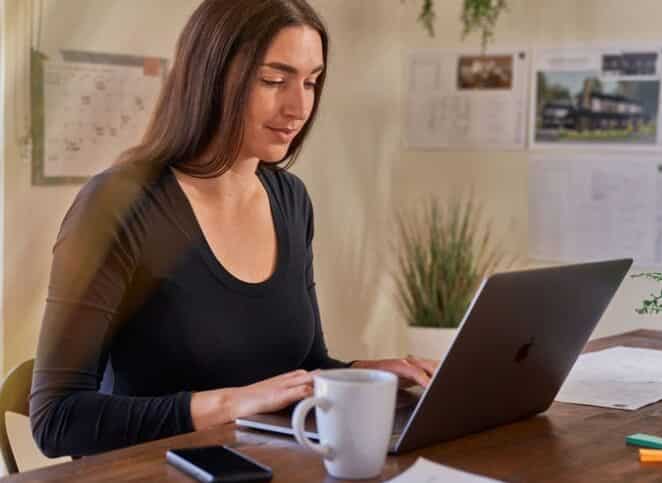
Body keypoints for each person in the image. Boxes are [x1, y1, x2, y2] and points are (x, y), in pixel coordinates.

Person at [29, 0, 437, 458]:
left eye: (311, 81)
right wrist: (230, 403)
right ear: (211, 75)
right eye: (273, 81)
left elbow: (302, 366)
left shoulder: (291, 200)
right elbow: (57, 420)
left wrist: (367, 375)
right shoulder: (117, 206)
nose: (299, 106)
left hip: (262, 465)